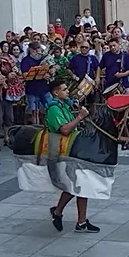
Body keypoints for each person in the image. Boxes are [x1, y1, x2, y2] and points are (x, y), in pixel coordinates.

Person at [45, 78, 99, 233]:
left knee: (81, 185)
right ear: (56, 93)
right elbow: (65, 130)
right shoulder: (54, 109)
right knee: (77, 184)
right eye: (64, 89)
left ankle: (73, 218)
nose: (68, 91)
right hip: (63, 151)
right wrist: (80, 117)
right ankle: (63, 214)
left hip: (73, 148)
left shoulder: (64, 105)